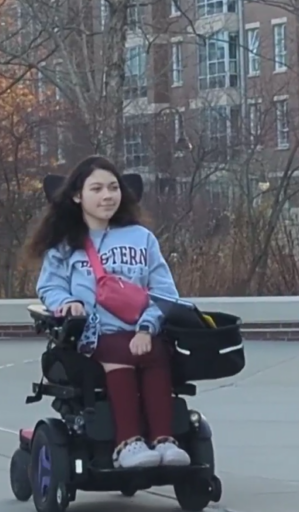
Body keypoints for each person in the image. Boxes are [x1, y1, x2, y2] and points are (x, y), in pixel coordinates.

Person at [24, 155, 191, 469]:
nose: (107, 196)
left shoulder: (142, 238)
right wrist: (65, 304)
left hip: (142, 331)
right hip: (91, 335)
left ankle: (165, 440)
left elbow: (165, 292)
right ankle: (127, 444)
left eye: (113, 188)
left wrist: (146, 327)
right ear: (77, 196)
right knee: (120, 350)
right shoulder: (64, 245)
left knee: (156, 352)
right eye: (97, 189)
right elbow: (49, 287)